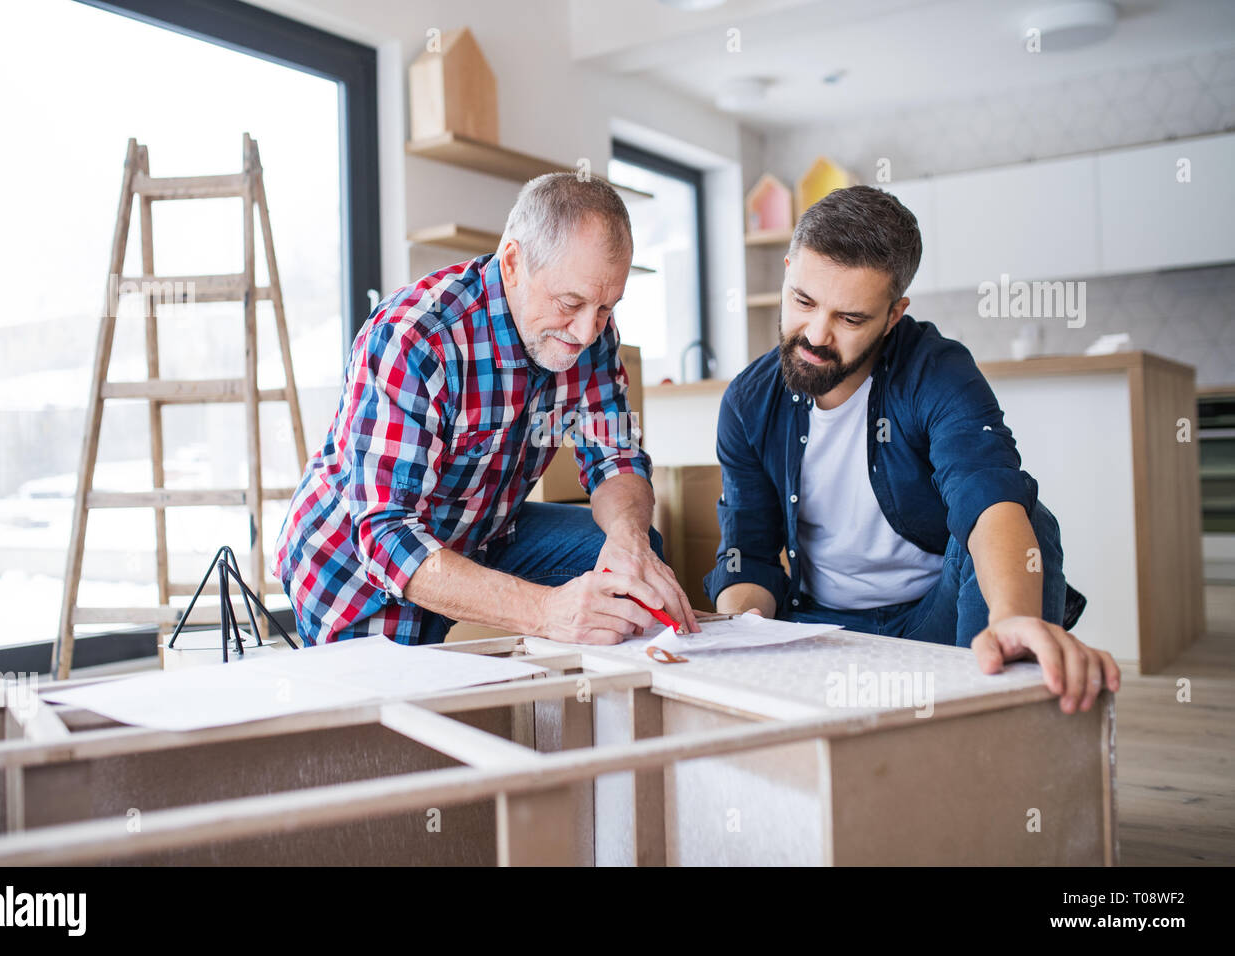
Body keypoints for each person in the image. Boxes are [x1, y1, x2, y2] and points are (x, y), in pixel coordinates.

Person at [704, 185, 1119, 715]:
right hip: (820, 628)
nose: (815, 333)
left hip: (933, 619)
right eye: (802, 300)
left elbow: (988, 497)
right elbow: (749, 554)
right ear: (788, 271)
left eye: (850, 318)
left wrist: (1013, 617)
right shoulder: (747, 400)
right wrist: (740, 635)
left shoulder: (937, 370)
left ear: (893, 314)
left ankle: (1001, 704)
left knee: (1032, 518)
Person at [273, 173, 698, 646]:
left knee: (631, 565)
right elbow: (387, 537)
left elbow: (616, 457)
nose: (586, 332)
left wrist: (629, 540)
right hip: (354, 570)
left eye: (605, 307)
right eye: (571, 303)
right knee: (401, 713)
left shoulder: (592, 330)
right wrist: (544, 611)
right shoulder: (416, 337)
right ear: (513, 263)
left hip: (481, 532)